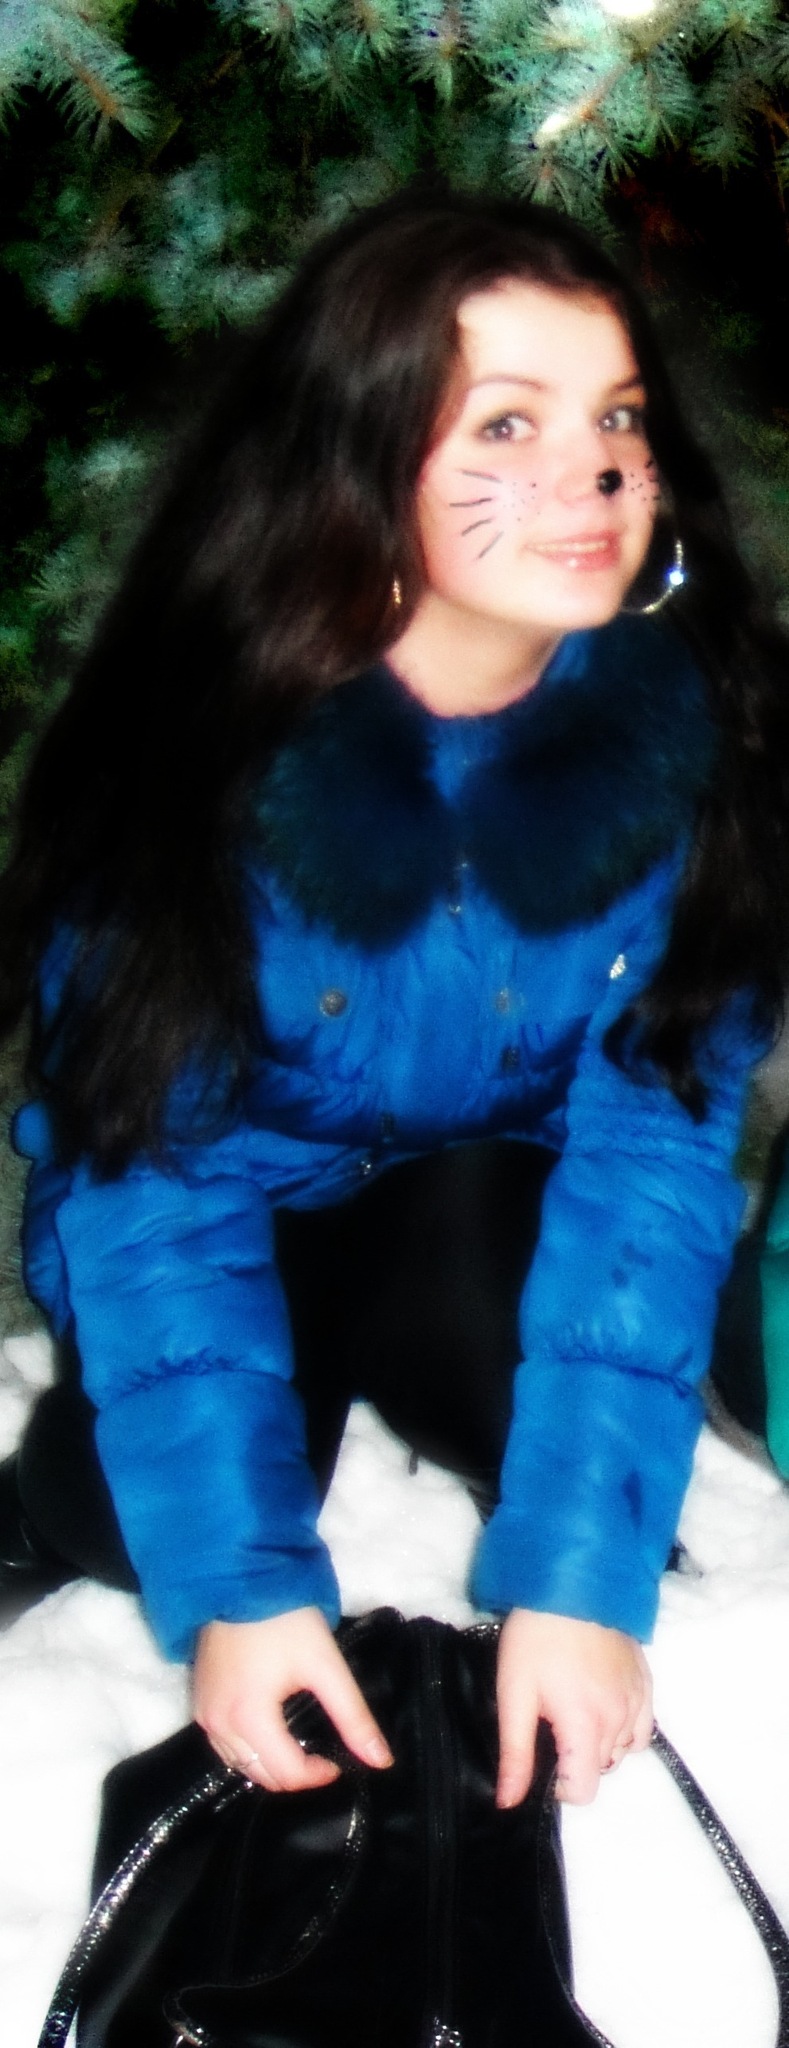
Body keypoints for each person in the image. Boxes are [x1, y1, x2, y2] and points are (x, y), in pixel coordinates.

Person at [1, 188, 787, 1814]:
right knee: (128, 1513)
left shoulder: (682, 739)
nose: (594, 477)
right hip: (224, 1197)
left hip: (479, 1188)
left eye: (615, 418)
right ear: (356, 462)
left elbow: (652, 1151)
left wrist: (578, 1585)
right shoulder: (191, 761)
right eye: (505, 424)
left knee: (576, 1456)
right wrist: (237, 1592)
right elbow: (152, 1185)